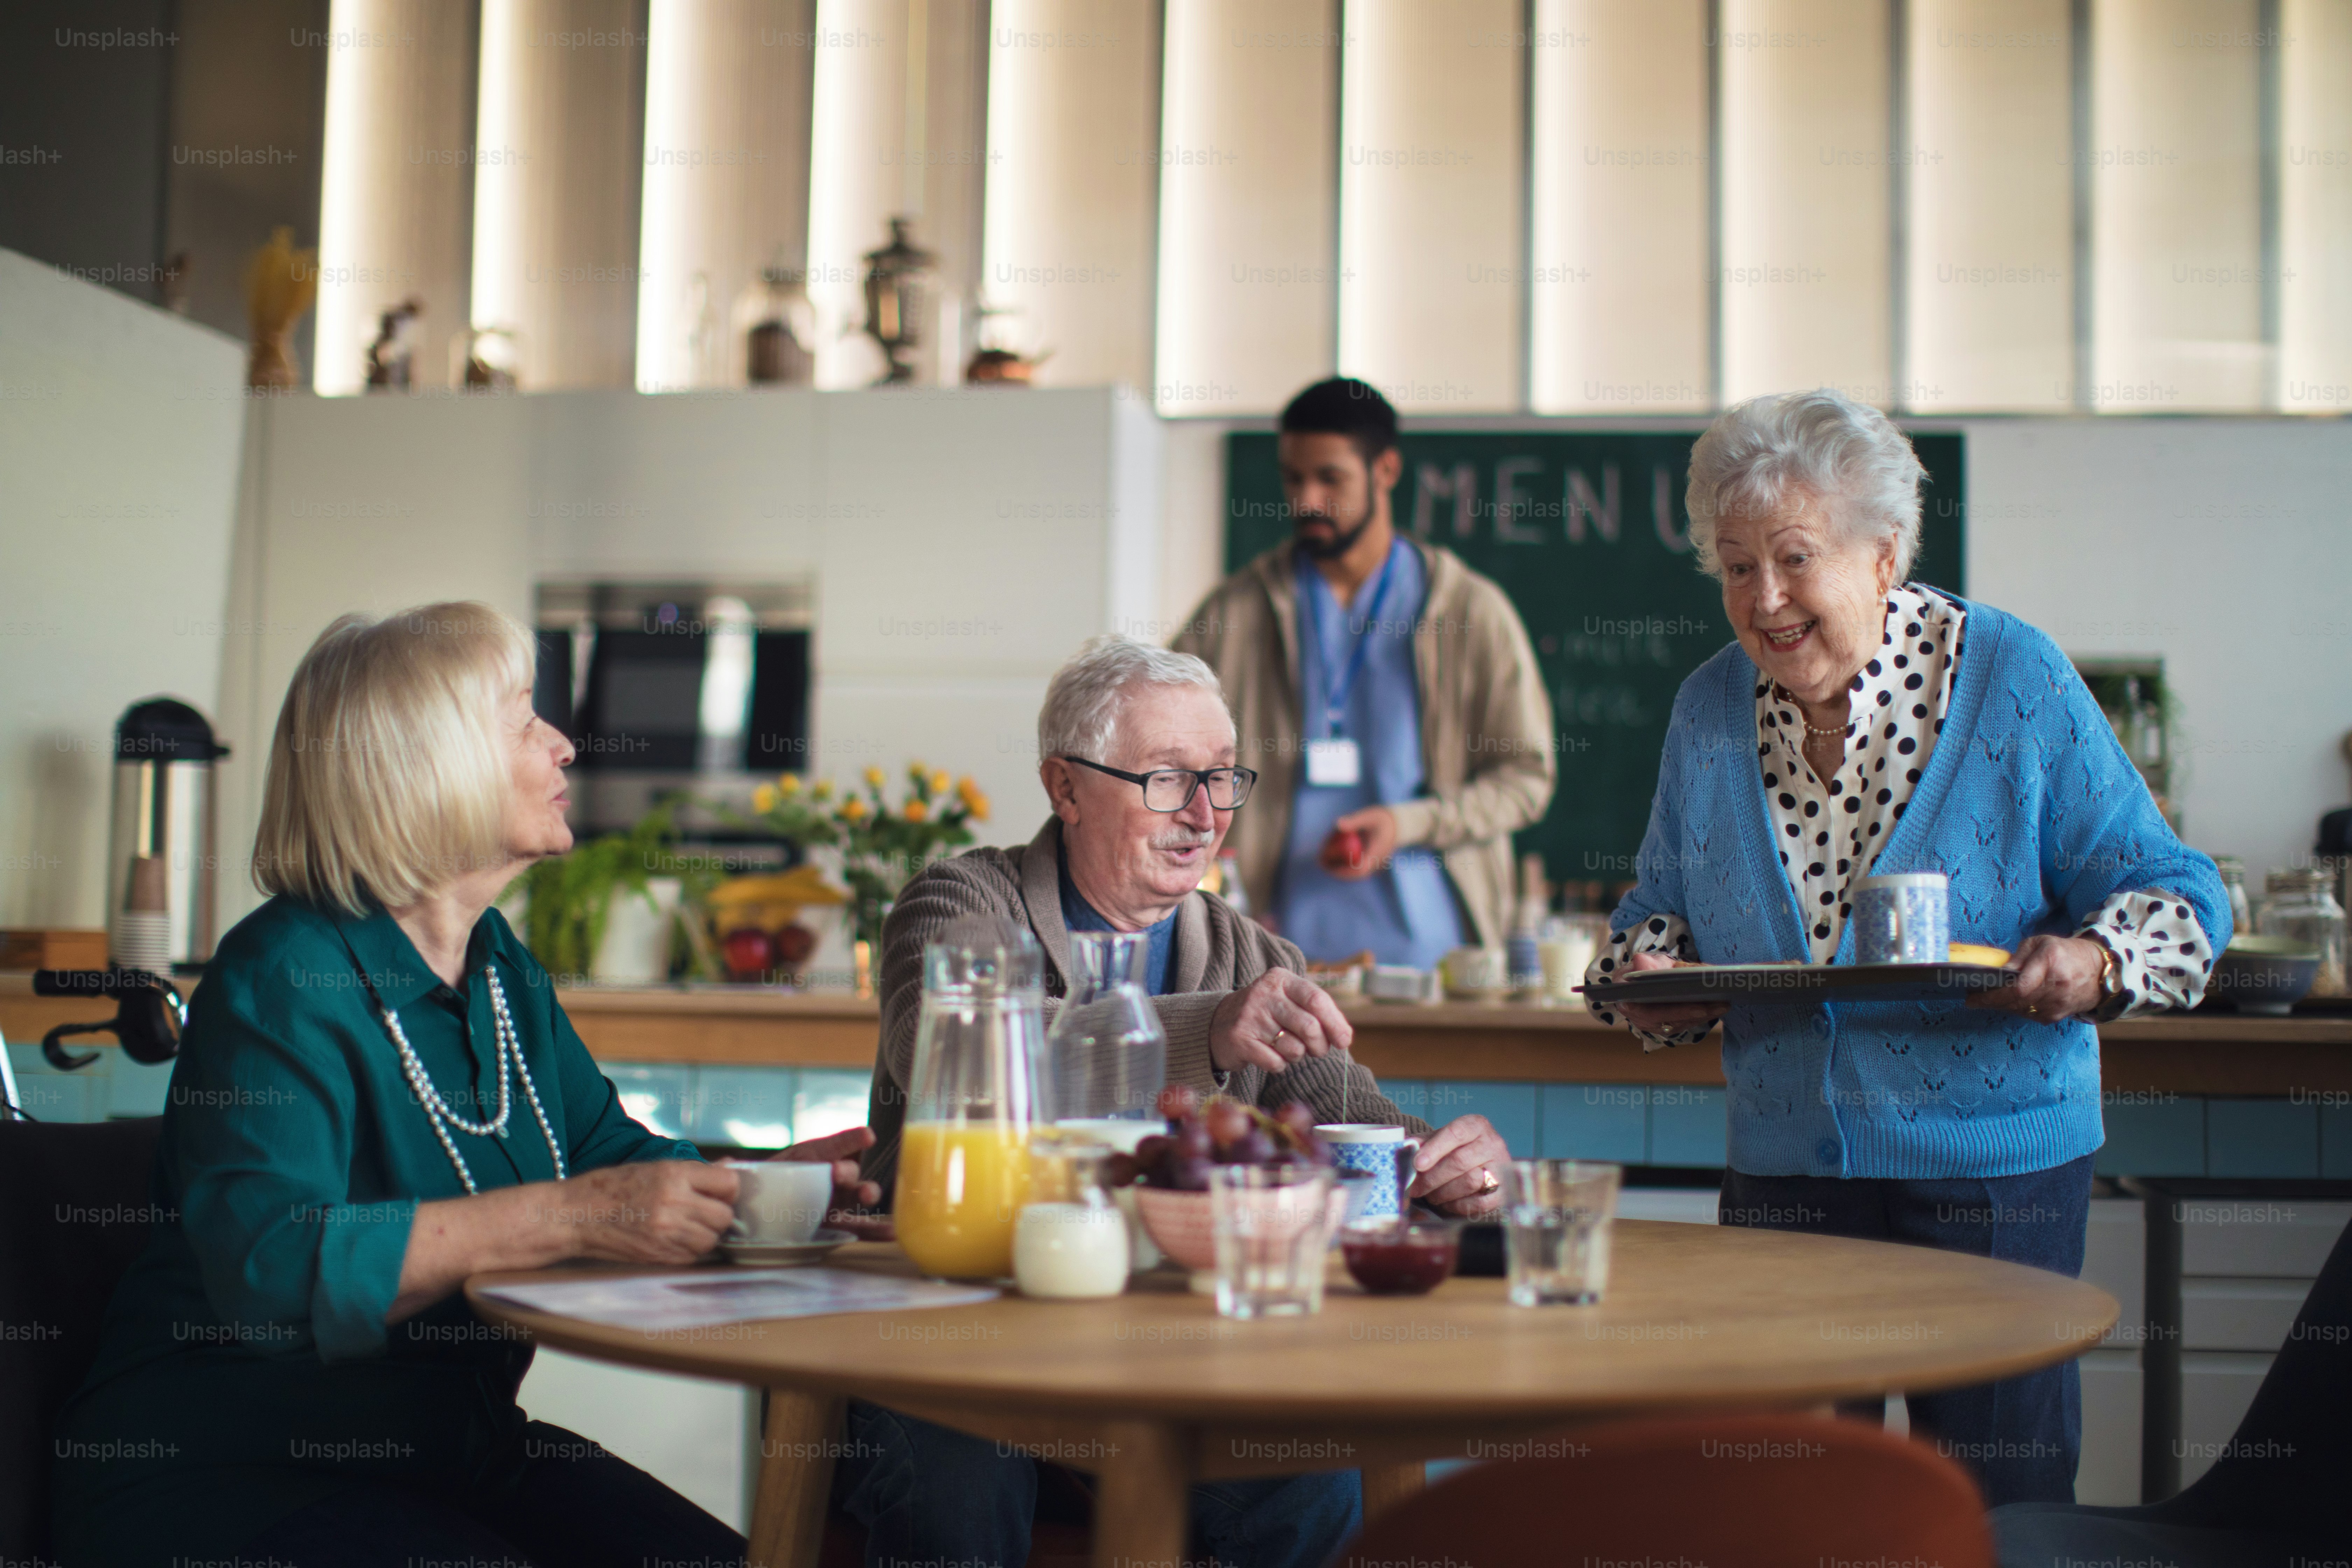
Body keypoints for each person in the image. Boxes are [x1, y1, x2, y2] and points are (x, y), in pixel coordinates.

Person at [51, 603, 877, 1568]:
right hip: (226, 1476)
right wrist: (571, 1218)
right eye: (527, 719)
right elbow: (271, 1270)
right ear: (428, 762)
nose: (565, 746)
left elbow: (609, 1156)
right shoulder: (283, 973)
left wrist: (773, 1188)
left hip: (456, 1455)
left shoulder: (497, 968)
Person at [1584, 390, 2230, 1506]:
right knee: (1792, 1501)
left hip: (1993, 1172)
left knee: (1993, 1497)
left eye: (1794, 558)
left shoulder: (2013, 678)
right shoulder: (1705, 711)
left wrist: (2095, 965)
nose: (1764, 600)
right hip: (1790, 1176)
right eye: (1736, 567)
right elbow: (1656, 916)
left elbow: (2175, 890)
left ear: (1884, 554)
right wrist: (1649, 981)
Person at [843, 634, 1510, 1568]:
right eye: (1166, 778)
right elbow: (952, 1056)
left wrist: (1453, 1165)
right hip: (955, 1330)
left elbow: (1347, 1118)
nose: (1204, 813)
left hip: (1167, 1347)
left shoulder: (1251, 954)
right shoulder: (961, 902)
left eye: (1222, 778)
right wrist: (1209, 1032)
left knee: (1317, 1479)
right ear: (1065, 788)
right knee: (964, 1491)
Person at [1173, 377, 1555, 968]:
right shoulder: (1234, 615)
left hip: (1438, 963)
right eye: (1293, 479)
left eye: (1331, 479)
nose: (1306, 501)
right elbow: (1161, 757)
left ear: (1386, 470)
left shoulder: (1471, 613)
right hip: (1267, 959)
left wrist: (1409, 824)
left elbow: (1527, 778)